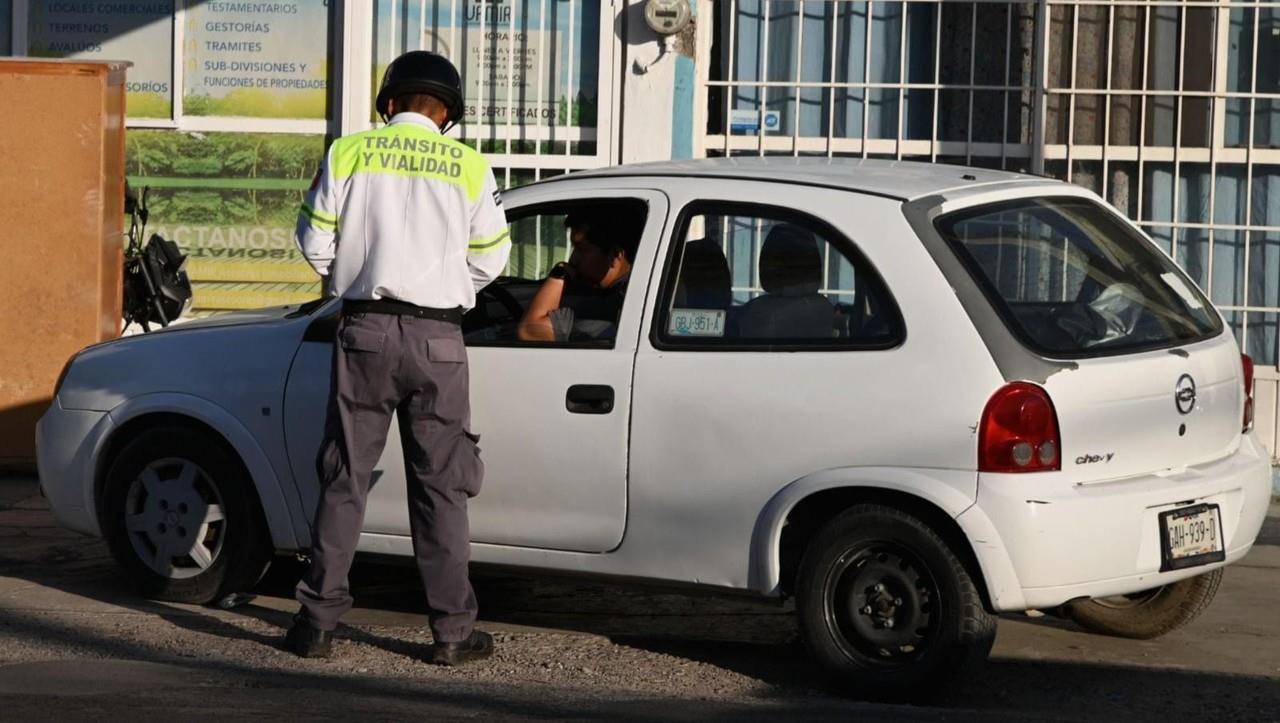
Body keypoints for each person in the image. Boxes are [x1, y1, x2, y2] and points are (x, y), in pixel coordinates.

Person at [287, 50, 511, 666]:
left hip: (365, 332)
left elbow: (312, 239)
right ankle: (452, 634)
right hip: (440, 340)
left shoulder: (350, 152)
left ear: (389, 104)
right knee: (441, 488)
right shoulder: (470, 166)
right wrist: (442, 283)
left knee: (345, 477)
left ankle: (317, 624)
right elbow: (492, 260)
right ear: (449, 114)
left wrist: (353, 280)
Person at [516, 206, 642, 342]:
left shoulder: (613, 304)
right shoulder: (631, 290)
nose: (573, 260)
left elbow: (529, 331)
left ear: (615, 256)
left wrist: (560, 272)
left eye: (581, 250)